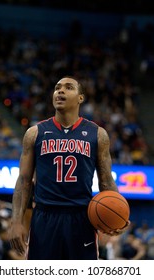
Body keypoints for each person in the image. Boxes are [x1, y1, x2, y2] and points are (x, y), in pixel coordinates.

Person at [9, 76, 129, 260]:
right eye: (57, 88)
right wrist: (16, 221)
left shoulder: (97, 134)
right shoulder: (34, 133)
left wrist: (119, 212)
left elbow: (106, 180)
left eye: (68, 87)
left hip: (81, 218)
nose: (60, 91)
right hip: (44, 217)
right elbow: (24, 181)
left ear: (80, 98)